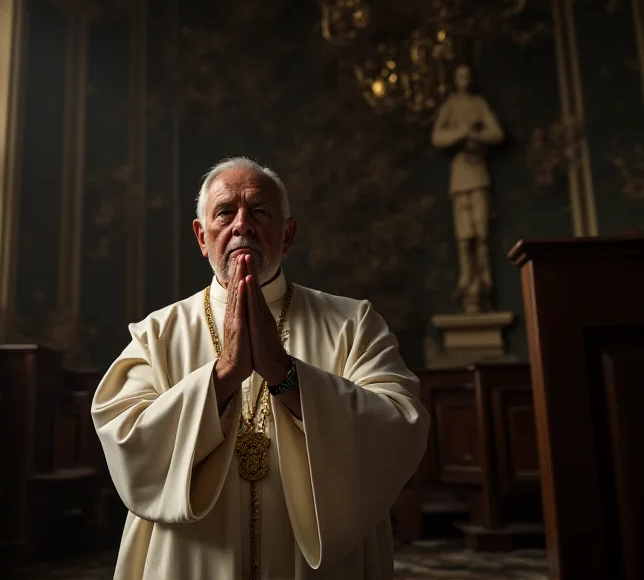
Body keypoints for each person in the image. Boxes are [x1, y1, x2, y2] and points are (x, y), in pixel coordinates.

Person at [91, 157, 429, 579]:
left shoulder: (353, 323)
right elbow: (126, 437)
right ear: (202, 236)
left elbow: (401, 424)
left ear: (287, 236)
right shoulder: (156, 334)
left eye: (260, 212)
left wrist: (287, 376)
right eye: (225, 212)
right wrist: (224, 374)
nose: (242, 225)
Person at [431, 64, 504, 313]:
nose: (465, 79)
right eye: (460, 75)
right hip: (461, 174)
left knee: (482, 233)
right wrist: (462, 132)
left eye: (467, 75)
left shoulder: (478, 103)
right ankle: (467, 281)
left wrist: (475, 135)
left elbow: (497, 134)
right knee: (465, 236)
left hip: (478, 172)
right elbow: (438, 137)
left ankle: (484, 281)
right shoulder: (451, 105)